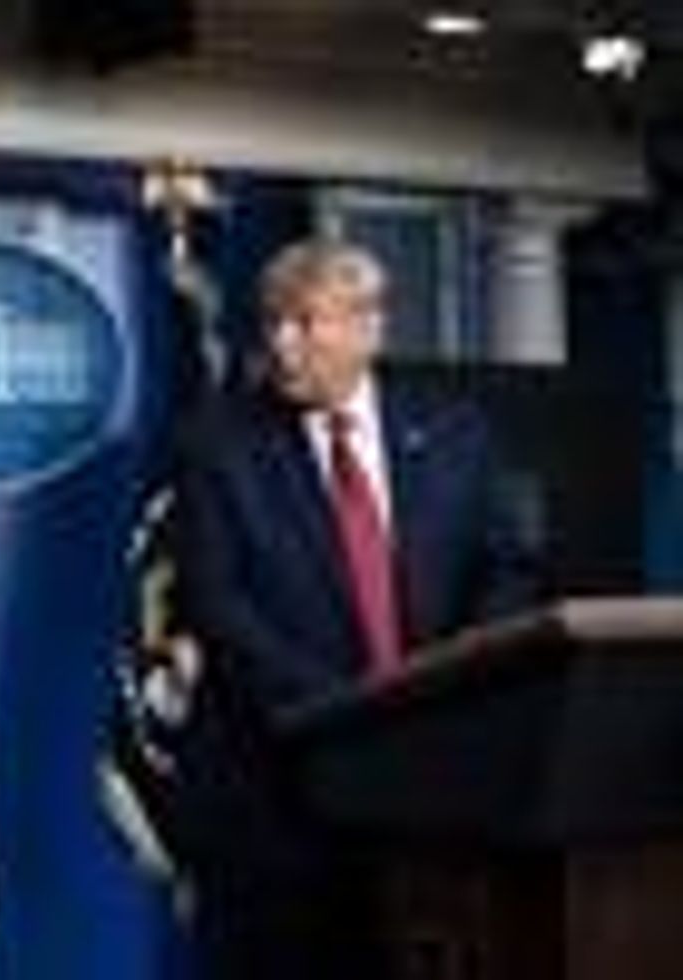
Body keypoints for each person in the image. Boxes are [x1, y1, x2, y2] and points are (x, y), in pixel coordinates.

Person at [171, 238, 540, 978]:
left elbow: (507, 569)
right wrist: (357, 717)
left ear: (368, 327)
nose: (282, 342)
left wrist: (447, 690)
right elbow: (220, 607)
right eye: (273, 321)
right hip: (275, 804)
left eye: (306, 322)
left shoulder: (454, 433)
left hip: (429, 800)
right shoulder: (219, 443)